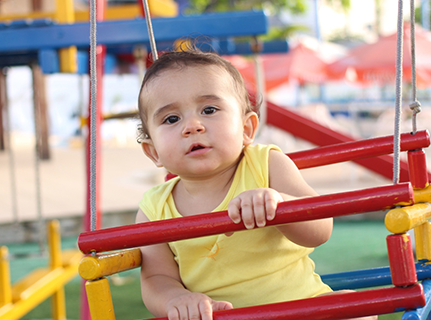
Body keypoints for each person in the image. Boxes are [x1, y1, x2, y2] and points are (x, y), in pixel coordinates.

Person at [135, 48, 376, 320]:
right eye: (171, 119)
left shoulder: (266, 164)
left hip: (304, 310)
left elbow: (320, 229)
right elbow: (156, 277)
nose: (192, 125)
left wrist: (280, 204)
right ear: (153, 151)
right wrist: (177, 299)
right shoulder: (154, 209)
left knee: (353, 307)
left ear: (247, 129)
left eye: (209, 109)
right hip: (223, 317)